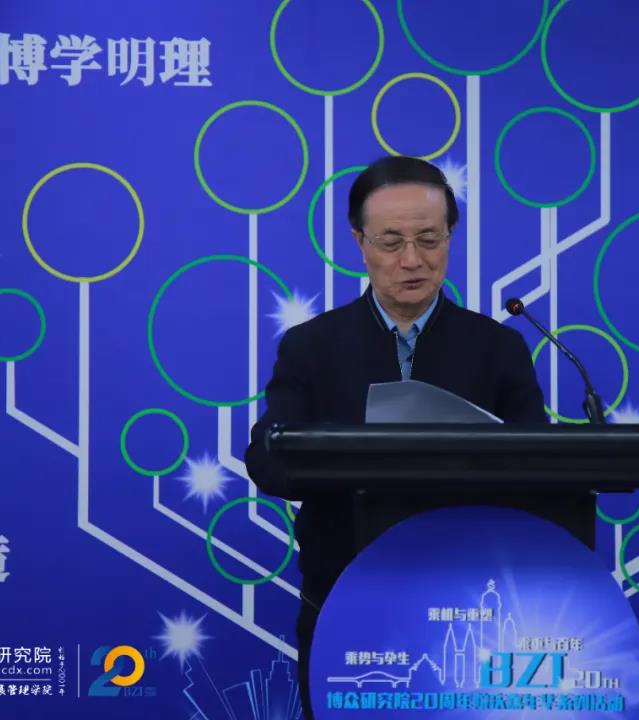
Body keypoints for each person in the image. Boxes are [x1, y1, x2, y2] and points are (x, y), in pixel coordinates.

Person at [245, 155, 546, 719]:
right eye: (390, 242)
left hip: (469, 614)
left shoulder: (498, 348)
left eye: (429, 239)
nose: (412, 260)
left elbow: (543, 469)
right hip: (345, 602)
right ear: (359, 243)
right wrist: (345, 458)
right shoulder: (312, 346)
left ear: (450, 236)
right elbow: (269, 458)